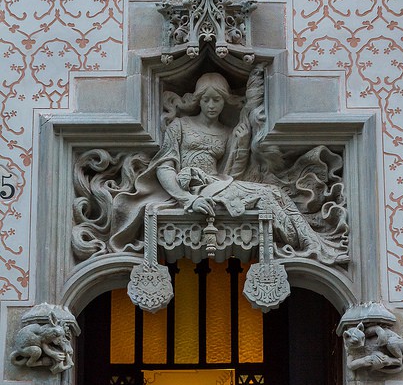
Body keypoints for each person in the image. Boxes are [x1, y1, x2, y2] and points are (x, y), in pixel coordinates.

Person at [73, 70, 348, 264]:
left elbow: (232, 173)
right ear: (198, 100)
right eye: (207, 99)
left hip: (218, 184)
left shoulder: (227, 132)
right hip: (189, 185)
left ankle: (310, 243)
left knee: (275, 194)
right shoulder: (180, 125)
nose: (213, 105)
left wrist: (242, 140)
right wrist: (188, 199)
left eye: (218, 99)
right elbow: (165, 167)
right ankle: (310, 244)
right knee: (268, 195)